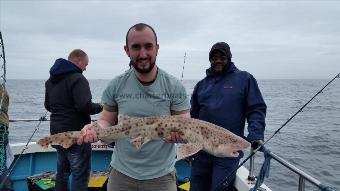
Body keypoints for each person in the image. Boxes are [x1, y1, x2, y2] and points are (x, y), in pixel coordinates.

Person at [77, 23, 190, 191]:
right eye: (136, 47)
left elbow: (186, 127)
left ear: (157, 48)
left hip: (161, 176)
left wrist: (181, 136)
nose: (143, 54)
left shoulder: (174, 87)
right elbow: (106, 121)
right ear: (127, 50)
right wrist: (95, 128)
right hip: (121, 174)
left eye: (148, 46)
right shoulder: (116, 85)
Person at [190, 42, 267, 191]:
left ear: (229, 58)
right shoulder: (201, 85)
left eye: (222, 57)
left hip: (227, 153)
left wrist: (256, 134)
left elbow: (256, 109)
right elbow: (193, 117)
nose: (217, 60)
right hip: (202, 150)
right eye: (214, 57)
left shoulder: (244, 79)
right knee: (196, 188)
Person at [44, 49, 102, 191]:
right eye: (85, 64)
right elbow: (84, 106)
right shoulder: (78, 78)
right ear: (78, 61)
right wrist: (101, 107)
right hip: (77, 136)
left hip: (56, 134)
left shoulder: (50, 81)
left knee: (62, 174)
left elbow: (48, 106)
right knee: (80, 176)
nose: (86, 68)